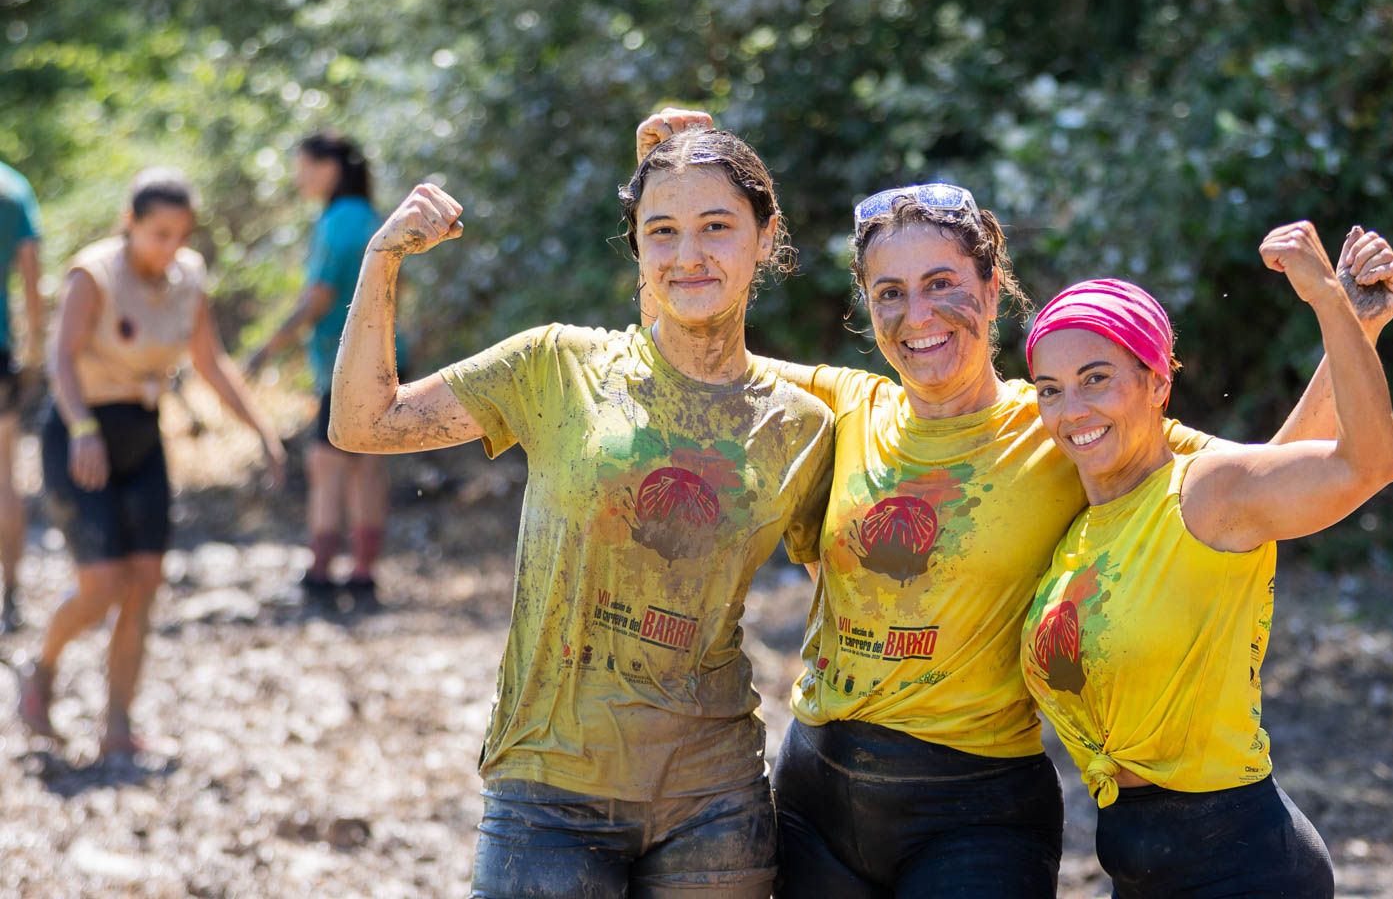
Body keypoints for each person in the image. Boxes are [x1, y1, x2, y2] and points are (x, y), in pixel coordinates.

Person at [633, 108, 1393, 897]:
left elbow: (1266, 480)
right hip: (817, 794)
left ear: (992, 284)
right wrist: (672, 194)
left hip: (975, 810)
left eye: (942, 285)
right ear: (866, 307)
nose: (917, 315)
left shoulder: (1065, 424)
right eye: (890, 293)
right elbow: (685, 363)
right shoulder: (838, 407)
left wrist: (1350, 323)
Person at [328, 129, 834, 898]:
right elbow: (364, 422)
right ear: (635, 249)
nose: (688, 253)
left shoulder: (802, 424)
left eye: (717, 226)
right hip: (548, 787)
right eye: (661, 231)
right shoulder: (557, 365)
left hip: (716, 799)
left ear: (767, 238)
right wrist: (382, 257)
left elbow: (845, 597)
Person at [1020, 222, 1393, 897]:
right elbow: (1283, 455)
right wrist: (1358, 328)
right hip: (1137, 867)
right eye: (1049, 388)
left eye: (1096, 379)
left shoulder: (1203, 490)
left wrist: (1329, 305)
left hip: (1242, 866)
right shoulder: (1083, 529)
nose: (1070, 408)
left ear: (1156, 384)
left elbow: (1367, 464)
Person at [17, 168, 285, 759]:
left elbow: (211, 363)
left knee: (142, 586)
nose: (170, 247)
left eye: (180, 235)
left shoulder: (188, 279)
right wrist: (83, 427)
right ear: (130, 223)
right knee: (100, 585)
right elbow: (60, 361)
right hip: (79, 435)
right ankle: (41, 672)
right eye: (158, 233)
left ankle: (118, 725)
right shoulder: (95, 273)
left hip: (141, 437)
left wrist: (262, 430)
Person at [247, 134, 395, 596]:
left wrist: (268, 347)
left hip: (344, 361)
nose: (299, 177)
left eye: (305, 166)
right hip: (387, 355)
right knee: (367, 465)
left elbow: (319, 296)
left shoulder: (337, 222)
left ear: (330, 167)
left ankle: (319, 572)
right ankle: (364, 573)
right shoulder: (372, 216)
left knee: (326, 464)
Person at [0, 161, 44, 632]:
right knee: (4, 476)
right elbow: (32, 276)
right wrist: (34, 350)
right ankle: (10, 596)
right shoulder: (13, 188)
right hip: (0, 349)